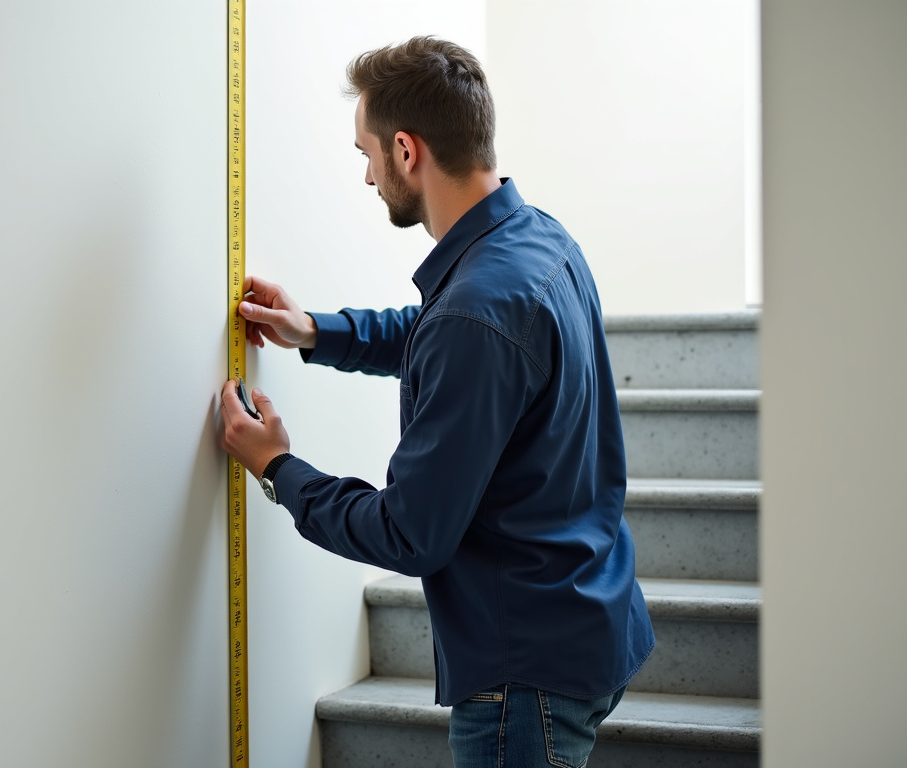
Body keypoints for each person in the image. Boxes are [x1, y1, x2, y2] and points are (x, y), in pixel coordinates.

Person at [217, 36, 654, 767]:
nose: (366, 176)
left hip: (525, 681)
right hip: (585, 619)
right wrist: (314, 331)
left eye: (366, 153)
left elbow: (410, 535)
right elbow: (437, 332)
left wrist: (278, 468)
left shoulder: (476, 310)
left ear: (407, 151)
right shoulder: (539, 242)